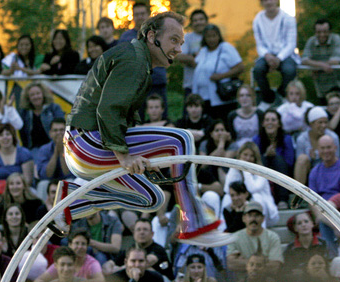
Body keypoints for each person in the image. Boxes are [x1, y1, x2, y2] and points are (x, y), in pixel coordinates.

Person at [59, 12, 231, 246]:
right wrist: (123, 155)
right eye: (173, 40)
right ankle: (195, 222)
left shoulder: (138, 61)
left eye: (181, 43)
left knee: (152, 198)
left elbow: (122, 117)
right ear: (151, 36)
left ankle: (70, 202)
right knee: (179, 140)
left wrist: (141, 156)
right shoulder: (133, 60)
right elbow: (109, 110)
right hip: (87, 144)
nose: (179, 49)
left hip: (84, 149)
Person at [253, 0, 299, 108]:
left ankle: (282, 94)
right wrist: (267, 55)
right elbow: (259, 44)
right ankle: (268, 98)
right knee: (258, 69)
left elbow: (291, 44)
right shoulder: (257, 19)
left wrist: (279, 58)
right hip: (266, 55)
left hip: (285, 55)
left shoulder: (288, 18)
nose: (268, 2)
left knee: (289, 70)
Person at [192, 24, 244, 120]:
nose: (211, 39)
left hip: (221, 98)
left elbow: (240, 67)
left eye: (214, 36)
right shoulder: (203, 51)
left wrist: (221, 76)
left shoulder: (225, 48)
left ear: (219, 36)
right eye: (208, 36)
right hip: (204, 97)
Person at [223, 142, 279, 227]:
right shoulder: (234, 169)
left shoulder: (261, 171)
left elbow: (252, 189)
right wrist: (234, 168)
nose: (248, 158)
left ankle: (261, 231)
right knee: (227, 197)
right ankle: (223, 229)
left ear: (255, 158)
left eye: (251, 156)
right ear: (239, 155)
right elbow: (227, 189)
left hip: (268, 215)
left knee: (256, 196)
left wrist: (245, 169)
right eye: (245, 155)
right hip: (244, 210)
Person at [227, 201, 283, 280]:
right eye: (250, 216)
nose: (253, 219)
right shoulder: (235, 237)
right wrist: (262, 263)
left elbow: (274, 267)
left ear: (263, 218)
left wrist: (245, 262)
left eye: (257, 216)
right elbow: (231, 264)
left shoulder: (272, 237)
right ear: (244, 218)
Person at [104, 218, 173, 279]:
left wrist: (121, 269)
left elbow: (146, 262)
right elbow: (108, 265)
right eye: (138, 229)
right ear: (133, 233)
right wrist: (111, 270)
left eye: (145, 230)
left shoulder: (158, 250)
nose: (141, 232)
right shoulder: (130, 249)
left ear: (152, 234)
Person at [253, 109, 295, 208]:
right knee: (262, 159)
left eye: (273, 120)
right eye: (267, 120)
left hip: (283, 173)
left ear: (279, 124)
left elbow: (290, 162)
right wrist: (266, 156)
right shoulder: (256, 139)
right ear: (263, 123)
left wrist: (275, 156)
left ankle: (282, 200)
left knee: (278, 159)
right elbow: (253, 162)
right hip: (263, 171)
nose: (270, 123)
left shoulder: (286, 139)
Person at [301, 18, 340, 102]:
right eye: (319, 32)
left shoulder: (336, 39)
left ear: (330, 31)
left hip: (339, 84)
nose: (322, 34)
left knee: (338, 109)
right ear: (315, 32)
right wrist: (323, 66)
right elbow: (304, 60)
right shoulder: (311, 41)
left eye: (325, 31)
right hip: (321, 87)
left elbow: (337, 60)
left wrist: (315, 67)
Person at [35, 228, 105, 282]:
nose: (80, 247)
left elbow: (101, 280)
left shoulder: (92, 263)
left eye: (83, 244)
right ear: (70, 245)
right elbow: (39, 280)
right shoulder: (62, 261)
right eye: (77, 243)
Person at [294, 107, 340, 186]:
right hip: (309, 172)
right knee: (302, 158)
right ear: (311, 124)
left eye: (325, 122)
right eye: (320, 122)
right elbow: (299, 163)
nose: (323, 125)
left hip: (329, 169)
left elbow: (337, 160)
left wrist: (322, 156)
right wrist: (310, 158)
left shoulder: (333, 137)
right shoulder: (302, 139)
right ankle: (299, 192)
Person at [283, 212, 332, 281]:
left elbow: (329, 263)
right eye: (299, 223)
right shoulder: (290, 248)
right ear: (295, 228)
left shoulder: (324, 244)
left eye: (306, 221)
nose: (303, 225)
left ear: (312, 224)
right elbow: (287, 271)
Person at [0, 124, 33, 195]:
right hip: (1, 192)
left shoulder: (24, 153)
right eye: (1, 135)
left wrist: (14, 189)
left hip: (23, 190)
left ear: (13, 136)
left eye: (8, 134)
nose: (5, 137)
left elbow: (28, 181)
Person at [18, 82, 65, 151]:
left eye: (38, 93)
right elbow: (22, 134)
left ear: (43, 94)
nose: (36, 97)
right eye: (32, 95)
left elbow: (62, 127)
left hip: (53, 147)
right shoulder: (24, 112)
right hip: (33, 149)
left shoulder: (54, 108)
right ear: (28, 98)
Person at [307, 134, 340, 201]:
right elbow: (311, 199)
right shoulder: (314, 172)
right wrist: (318, 211)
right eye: (322, 148)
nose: (326, 151)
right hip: (320, 208)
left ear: (335, 148)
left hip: (339, 208)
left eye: (328, 147)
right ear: (318, 150)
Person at [176, 9, 209, 94]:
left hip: (210, 85)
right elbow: (180, 56)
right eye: (195, 20)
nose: (198, 22)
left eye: (201, 19)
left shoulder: (212, 37)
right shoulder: (187, 37)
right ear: (192, 23)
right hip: (191, 86)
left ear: (206, 21)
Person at [35, 118, 73, 192]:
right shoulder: (44, 149)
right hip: (50, 182)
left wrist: (62, 151)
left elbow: (68, 174)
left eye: (61, 130)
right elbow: (46, 175)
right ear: (50, 133)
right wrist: (56, 153)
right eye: (55, 130)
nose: (58, 133)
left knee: (70, 181)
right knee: (42, 184)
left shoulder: (74, 148)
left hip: (67, 180)